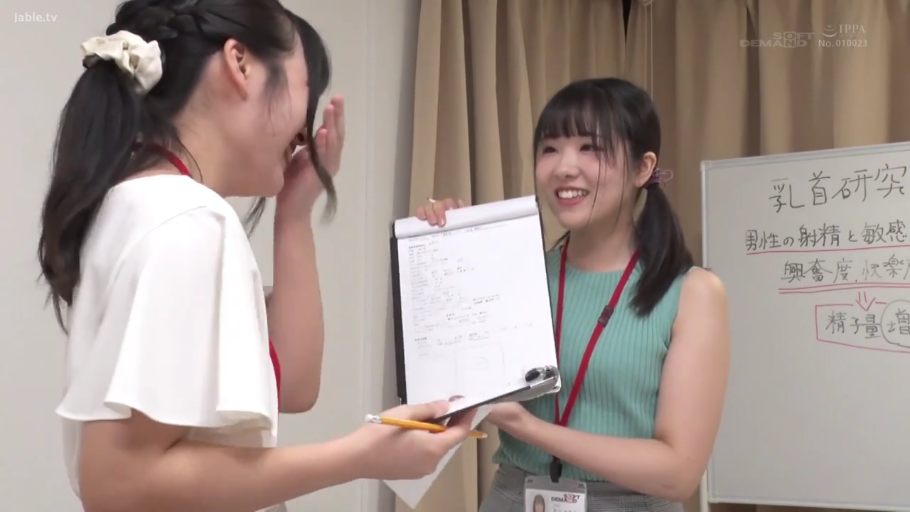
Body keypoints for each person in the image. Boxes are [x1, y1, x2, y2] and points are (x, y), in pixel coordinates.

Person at [37, 1, 475, 511]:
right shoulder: (187, 218)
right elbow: (117, 483)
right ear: (239, 64)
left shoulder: (142, 203)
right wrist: (360, 457)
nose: (305, 130)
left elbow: (293, 384)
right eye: (304, 88)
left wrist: (294, 212)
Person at [415, 77, 730, 511]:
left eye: (590, 148)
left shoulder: (692, 293)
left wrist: (527, 427)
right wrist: (447, 256)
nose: (564, 167)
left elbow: (677, 474)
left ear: (642, 168)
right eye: (550, 149)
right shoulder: (513, 278)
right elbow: (438, 387)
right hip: (513, 499)